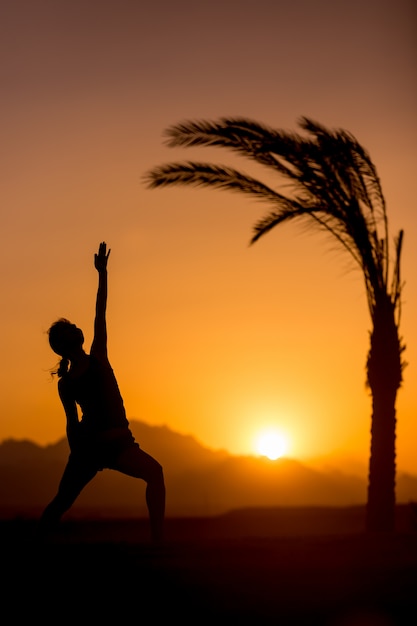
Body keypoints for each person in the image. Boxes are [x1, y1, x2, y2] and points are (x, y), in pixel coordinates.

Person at [40, 242, 165, 542]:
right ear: (67, 343)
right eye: (71, 329)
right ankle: (36, 541)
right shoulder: (68, 381)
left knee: (155, 474)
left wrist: (102, 273)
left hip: (120, 444)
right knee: (62, 501)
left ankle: (157, 540)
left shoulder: (98, 355)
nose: (78, 328)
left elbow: (101, 311)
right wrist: (78, 455)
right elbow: (72, 424)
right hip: (91, 449)